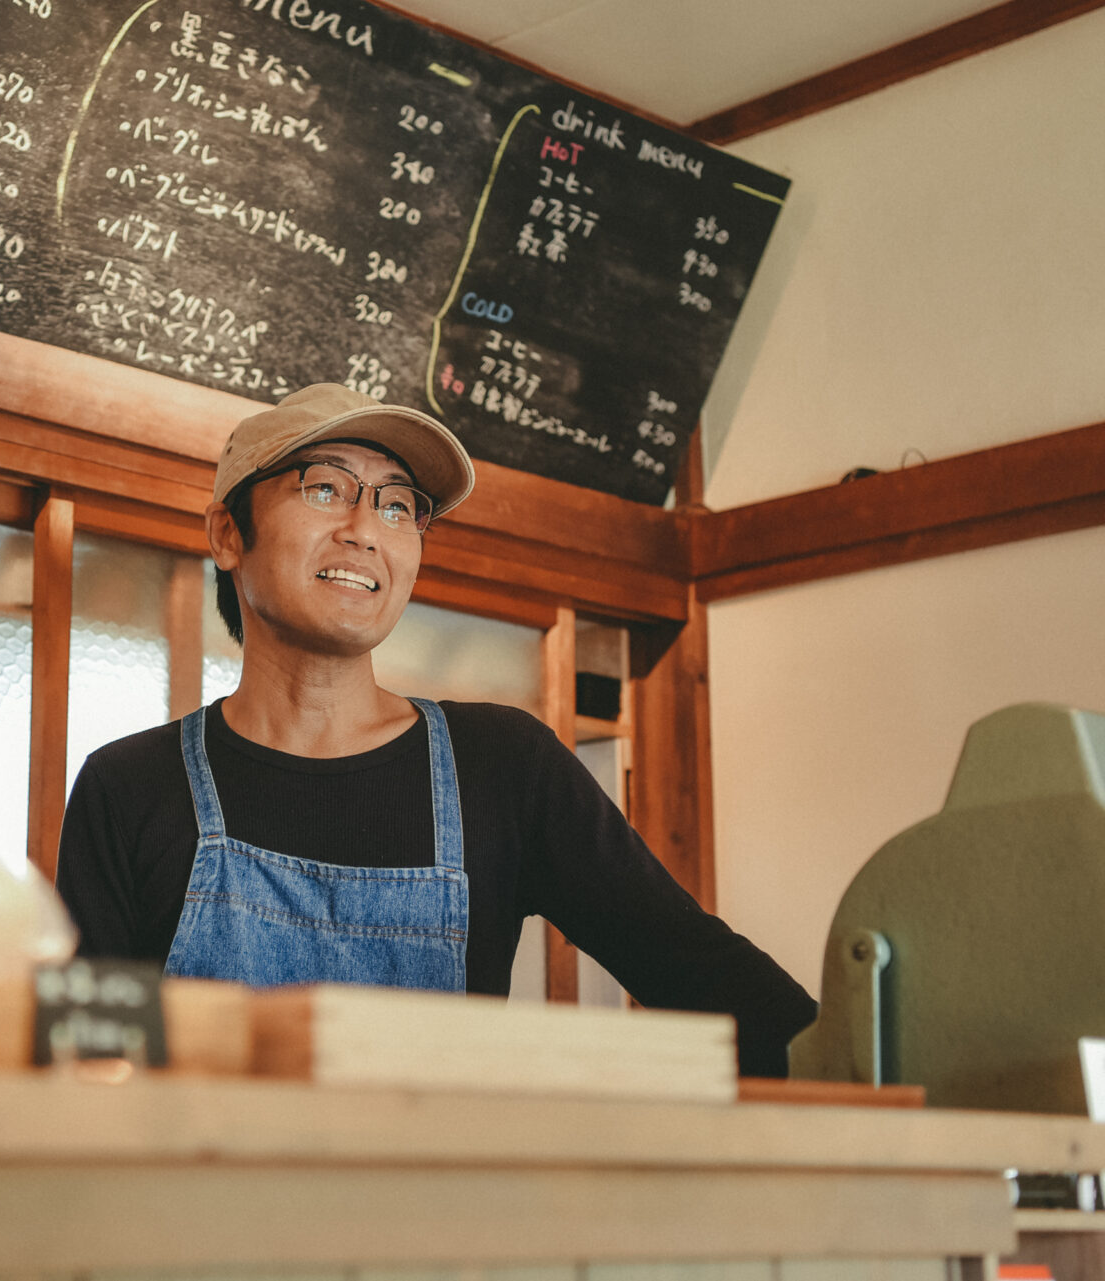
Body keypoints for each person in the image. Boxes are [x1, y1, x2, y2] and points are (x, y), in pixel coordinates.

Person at [54, 383, 815, 1076]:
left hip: (438, 1222)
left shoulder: (503, 767)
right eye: (325, 488)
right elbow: (86, 1066)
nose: (366, 531)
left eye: (396, 505)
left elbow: (711, 982)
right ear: (228, 534)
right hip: (198, 1219)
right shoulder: (129, 786)